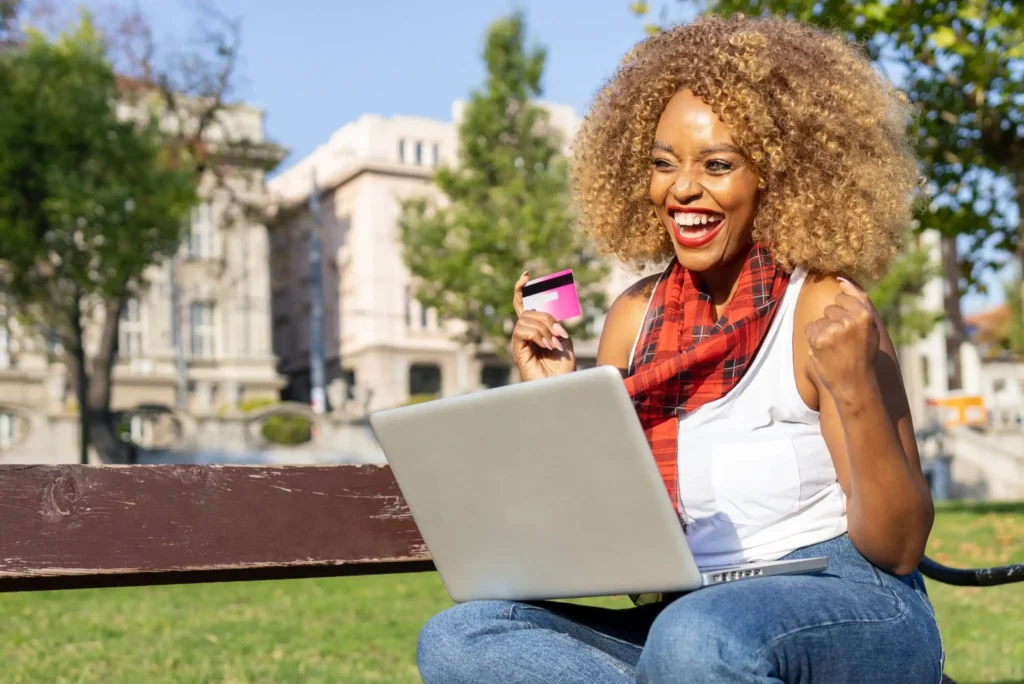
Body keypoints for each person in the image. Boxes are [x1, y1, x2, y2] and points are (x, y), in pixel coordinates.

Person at [417, 14, 944, 684]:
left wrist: (855, 388)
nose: (682, 190)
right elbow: (598, 538)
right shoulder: (632, 320)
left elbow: (897, 548)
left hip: (850, 602)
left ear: (780, 178)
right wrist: (553, 397)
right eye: (664, 164)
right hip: (687, 610)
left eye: (717, 165)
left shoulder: (822, 308)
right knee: (463, 636)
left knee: (698, 640)